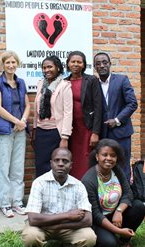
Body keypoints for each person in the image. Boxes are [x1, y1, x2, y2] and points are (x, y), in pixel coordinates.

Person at [22, 147, 97, 247]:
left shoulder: (78, 185)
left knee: (89, 237)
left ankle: (69, 245)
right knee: (30, 236)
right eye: (57, 160)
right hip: (43, 228)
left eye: (65, 161)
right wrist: (67, 215)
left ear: (71, 165)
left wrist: (57, 226)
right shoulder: (39, 183)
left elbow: (88, 220)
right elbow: (33, 219)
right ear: (51, 163)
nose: (60, 164)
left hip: (67, 227)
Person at [81, 138, 145, 247]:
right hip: (98, 221)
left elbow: (128, 193)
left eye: (113, 155)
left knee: (139, 206)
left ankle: (124, 241)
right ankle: (116, 235)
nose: (109, 159)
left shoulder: (116, 170)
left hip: (115, 213)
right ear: (97, 157)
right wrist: (119, 230)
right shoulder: (88, 180)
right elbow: (95, 214)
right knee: (109, 244)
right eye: (104, 155)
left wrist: (119, 211)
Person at [0, 51, 30, 218]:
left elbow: (27, 105)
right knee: (4, 168)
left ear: (17, 64)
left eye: (14, 62)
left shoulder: (20, 82)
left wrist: (23, 121)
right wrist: (16, 121)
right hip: (4, 131)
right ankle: (5, 204)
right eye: (8, 63)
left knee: (18, 168)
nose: (11, 65)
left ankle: (17, 202)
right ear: (3, 64)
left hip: (20, 130)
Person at [93, 52, 138, 183]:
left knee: (122, 166)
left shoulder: (121, 80)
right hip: (103, 134)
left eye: (104, 62)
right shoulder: (93, 83)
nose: (102, 66)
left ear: (110, 64)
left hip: (121, 132)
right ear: (95, 67)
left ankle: (126, 198)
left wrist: (117, 120)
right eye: (98, 64)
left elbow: (132, 103)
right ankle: (108, 198)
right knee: (105, 166)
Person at [31, 55, 73, 177]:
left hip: (56, 132)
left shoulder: (64, 85)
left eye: (50, 67)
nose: (46, 70)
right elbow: (37, 108)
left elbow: (68, 113)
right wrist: (34, 129)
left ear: (58, 68)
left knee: (56, 166)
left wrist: (64, 137)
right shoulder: (40, 84)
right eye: (44, 68)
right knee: (40, 164)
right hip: (40, 132)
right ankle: (42, 193)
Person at [65, 50, 102, 180]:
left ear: (84, 64)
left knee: (85, 160)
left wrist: (95, 132)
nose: (76, 64)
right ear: (68, 64)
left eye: (79, 62)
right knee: (72, 158)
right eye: (73, 61)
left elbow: (98, 107)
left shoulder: (91, 80)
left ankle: (86, 189)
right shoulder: (64, 82)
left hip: (86, 128)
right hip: (70, 129)